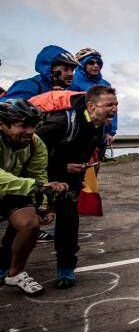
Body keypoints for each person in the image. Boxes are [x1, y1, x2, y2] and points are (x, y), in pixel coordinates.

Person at [35, 85, 118, 288]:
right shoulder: (62, 122)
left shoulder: (101, 122)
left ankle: (66, 269)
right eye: (109, 104)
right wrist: (61, 167)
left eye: (116, 104)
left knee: (68, 219)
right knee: (27, 220)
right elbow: (33, 153)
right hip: (41, 173)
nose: (114, 109)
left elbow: (87, 147)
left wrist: (79, 172)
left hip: (69, 175)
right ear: (91, 106)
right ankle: (5, 266)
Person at [0, 100, 70, 295]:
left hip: (14, 190)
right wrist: (34, 186)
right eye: (23, 125)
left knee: (30, 224)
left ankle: (15, 273)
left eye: (33, 125)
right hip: (11, 185)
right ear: (2, 124)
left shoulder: (35, 143)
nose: (30, 131)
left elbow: (39, 174)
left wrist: (43, 205)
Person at [69, 48, 119, 143]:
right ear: (82, 64)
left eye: (98, 63)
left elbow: (112, 109)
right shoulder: (72, 82)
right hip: (79, 131)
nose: (96, 65)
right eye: (91, 62)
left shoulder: (105, 84)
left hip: (101, 132)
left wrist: (111, 132)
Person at [2, 45, 80, 101]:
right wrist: (46, 99)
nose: (71, 74)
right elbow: (5, 109)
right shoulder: (29, 86)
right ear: (50, 69)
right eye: (65, 69)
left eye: (72, 70)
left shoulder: (72, 88)